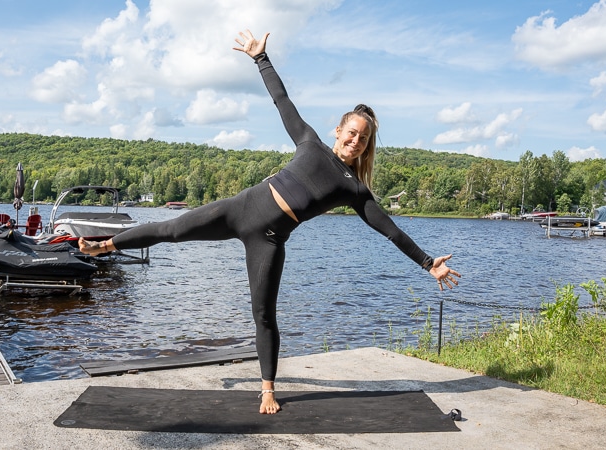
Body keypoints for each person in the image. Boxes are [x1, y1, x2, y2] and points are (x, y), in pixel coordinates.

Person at [79, 29, 461, 415]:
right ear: (338, 130)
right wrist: (260, 58)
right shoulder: (309, 141)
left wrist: (428, 264)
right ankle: (105, 246)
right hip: (240, 208)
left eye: (363, 139)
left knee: (263, 314)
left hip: (269, 239)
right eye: (351, 133)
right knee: (170, 230)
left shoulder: (355, 190)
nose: (355, 141)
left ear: (367, 145)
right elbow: (282, 100)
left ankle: (266, 389)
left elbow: (390, 230)